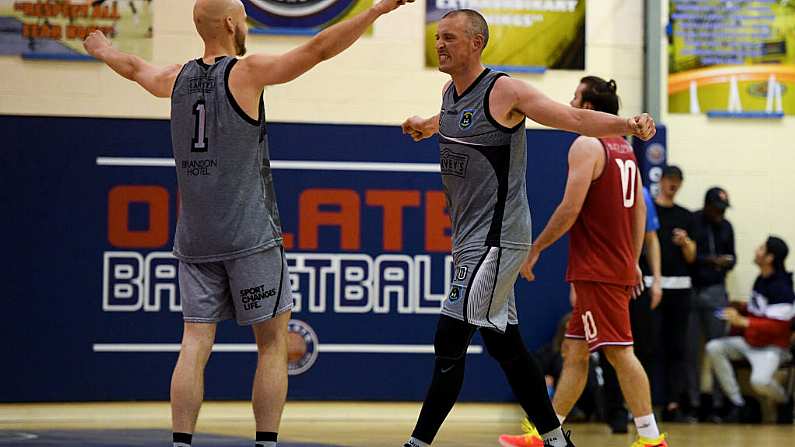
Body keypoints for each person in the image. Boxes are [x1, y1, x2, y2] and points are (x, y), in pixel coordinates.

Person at [83, 0, 414, 446]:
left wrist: (102, 47)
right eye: (244, 17)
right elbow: (318, 49)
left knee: (195, 342)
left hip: (195, 237)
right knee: (273, 342)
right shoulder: (245, 72)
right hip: (251, 234)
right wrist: (376, 10)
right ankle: (266, 441)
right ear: (229, 23)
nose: (247, 25)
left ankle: (181, 442)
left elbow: (131, 65)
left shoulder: (174, 78)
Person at [400, 11, 656, 447]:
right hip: (470, 241)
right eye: (437, 37)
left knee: (450, 334)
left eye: (449, 38)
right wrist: (428, 125)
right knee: (506, 346)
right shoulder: (448, 93)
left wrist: (624, 125)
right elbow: (453, 121)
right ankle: (557, 440)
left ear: (477, 42)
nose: (439, 44)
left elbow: (571, 120)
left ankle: (418, 443)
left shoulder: (505, 90)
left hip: (499, 238)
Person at [498, 76, 667, 447]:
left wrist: (537, 247)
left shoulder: (587, 143)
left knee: (621, 353)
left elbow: (569, 209)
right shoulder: (624, 147)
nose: (569, 102)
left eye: (575, 97)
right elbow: (639, 209)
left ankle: (652, 440)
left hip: (598, 268)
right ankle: (549, 434)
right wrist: (633, 257)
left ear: (588, 108)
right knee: (573, 351)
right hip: (613, 264)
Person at [706, 237, 795, 422]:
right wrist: (740, 307)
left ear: (770, 257)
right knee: (714, 348)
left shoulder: (783, 288)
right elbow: (760, 310)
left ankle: (785, 401)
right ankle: (738, 403)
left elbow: (779, 326)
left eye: (761, 248)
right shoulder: (761, 279)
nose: (756, 250)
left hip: (772, 347)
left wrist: (743, 321)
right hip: (750, 341)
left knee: (759, 382)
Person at [600, 183, 664, 433]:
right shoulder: (595, 184)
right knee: (606, 348)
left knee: (640, 347)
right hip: (604, 275)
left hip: (634, 276)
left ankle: (642, 417)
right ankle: (615, 411)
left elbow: (651, 237)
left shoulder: (640, 190)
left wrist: (657, 280)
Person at [652, 166, 697, 422]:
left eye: (677, 181)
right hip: (651, 287)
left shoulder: (686, 216)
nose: (673, 184)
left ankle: (672, 404)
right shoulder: (649, 210)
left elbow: (692, 258)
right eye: (670, 180)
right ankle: (643, 405)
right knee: (647, 347)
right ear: (662, 181)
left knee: (677, 349)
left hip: (680, 289)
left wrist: (687, 243)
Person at [687, 187, 736, 419]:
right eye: (717, 209)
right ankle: (694, 402)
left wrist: (720, 262)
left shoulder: (726, 227)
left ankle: (717, 404)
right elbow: (689, 257)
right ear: (707, 205)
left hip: (716, 292)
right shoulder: (693, 221)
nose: (720, 214)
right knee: (692, 350)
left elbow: (732, 259)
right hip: (693, 291)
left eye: (723, 210)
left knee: (718, 349)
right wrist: (711, 261)